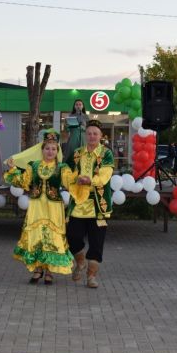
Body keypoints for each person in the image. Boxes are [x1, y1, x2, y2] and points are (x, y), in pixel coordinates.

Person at [4, 130, 74, 284]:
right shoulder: (33, 166)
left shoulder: (62, 168)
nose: (50, 151)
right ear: (42, 150)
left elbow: (71, 183)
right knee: (37, 237)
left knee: (52, 238)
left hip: (54, 208)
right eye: (47, 148)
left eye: (53, 149)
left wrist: (81, 179)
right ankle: (38, 269)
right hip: (36, 206)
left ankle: (49, 270)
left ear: (57, 151)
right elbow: (22, 182)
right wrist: (12, 169)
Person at [65, 120, 114, 288]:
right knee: (72, 236)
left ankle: (91, 276)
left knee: (96, 242)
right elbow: (70, 173)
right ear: (85, 136)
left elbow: (105, 175)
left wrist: (89, 181)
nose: (92, 136)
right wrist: (72, 179)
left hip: (98, 205)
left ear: (101, 136)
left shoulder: (106, 153)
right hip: (78, 203)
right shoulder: (78, 153)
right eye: (89, 133)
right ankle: (80, 262)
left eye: (95, 133)